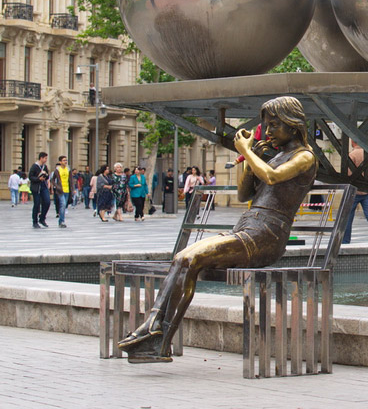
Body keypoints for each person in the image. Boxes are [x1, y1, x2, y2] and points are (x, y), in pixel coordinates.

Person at [118, 96, 316, 364]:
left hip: (266, 235)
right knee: (182, 258)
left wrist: (247, 152)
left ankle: (158, 335)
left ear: (293, 126)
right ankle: (154, 331)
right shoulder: (275, 155)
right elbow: (243, 193)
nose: (267, 132)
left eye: (273, 126)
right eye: (266, 126)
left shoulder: (304, 157)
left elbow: (272, 177)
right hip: (248, 229)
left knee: (190, 258)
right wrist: (252, 157)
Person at [342, 140, 368, 244]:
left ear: (352, 142)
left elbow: (348, 174)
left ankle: (346, 240)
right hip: (367, 191)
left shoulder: (351, 155)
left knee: (348, 216)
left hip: (353, 191)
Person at [48, 155, 72, 228]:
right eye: (64, 160)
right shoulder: (57, 170)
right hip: (60, 190)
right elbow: (52, 179)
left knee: (64, 206)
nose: (65, 162)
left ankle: (61, 220)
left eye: (66, 160)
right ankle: (61, 221)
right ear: (60, 162)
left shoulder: (68, 169)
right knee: (63, 204)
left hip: (67, 190)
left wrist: (73, 189)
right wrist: (56, 186)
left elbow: (71, 180)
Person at [29, 152, 51, 229]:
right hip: (36, 187)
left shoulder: (45, 167)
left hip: (43, 186)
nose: (46, 160)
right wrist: (38, 179)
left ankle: (42, 218)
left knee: (47, 202)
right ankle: (35, 221)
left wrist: (46, 175)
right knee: (37, 204)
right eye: (45, 158)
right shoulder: (34, 166)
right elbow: (31, 177)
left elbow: (48, 177)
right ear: (41, 158)